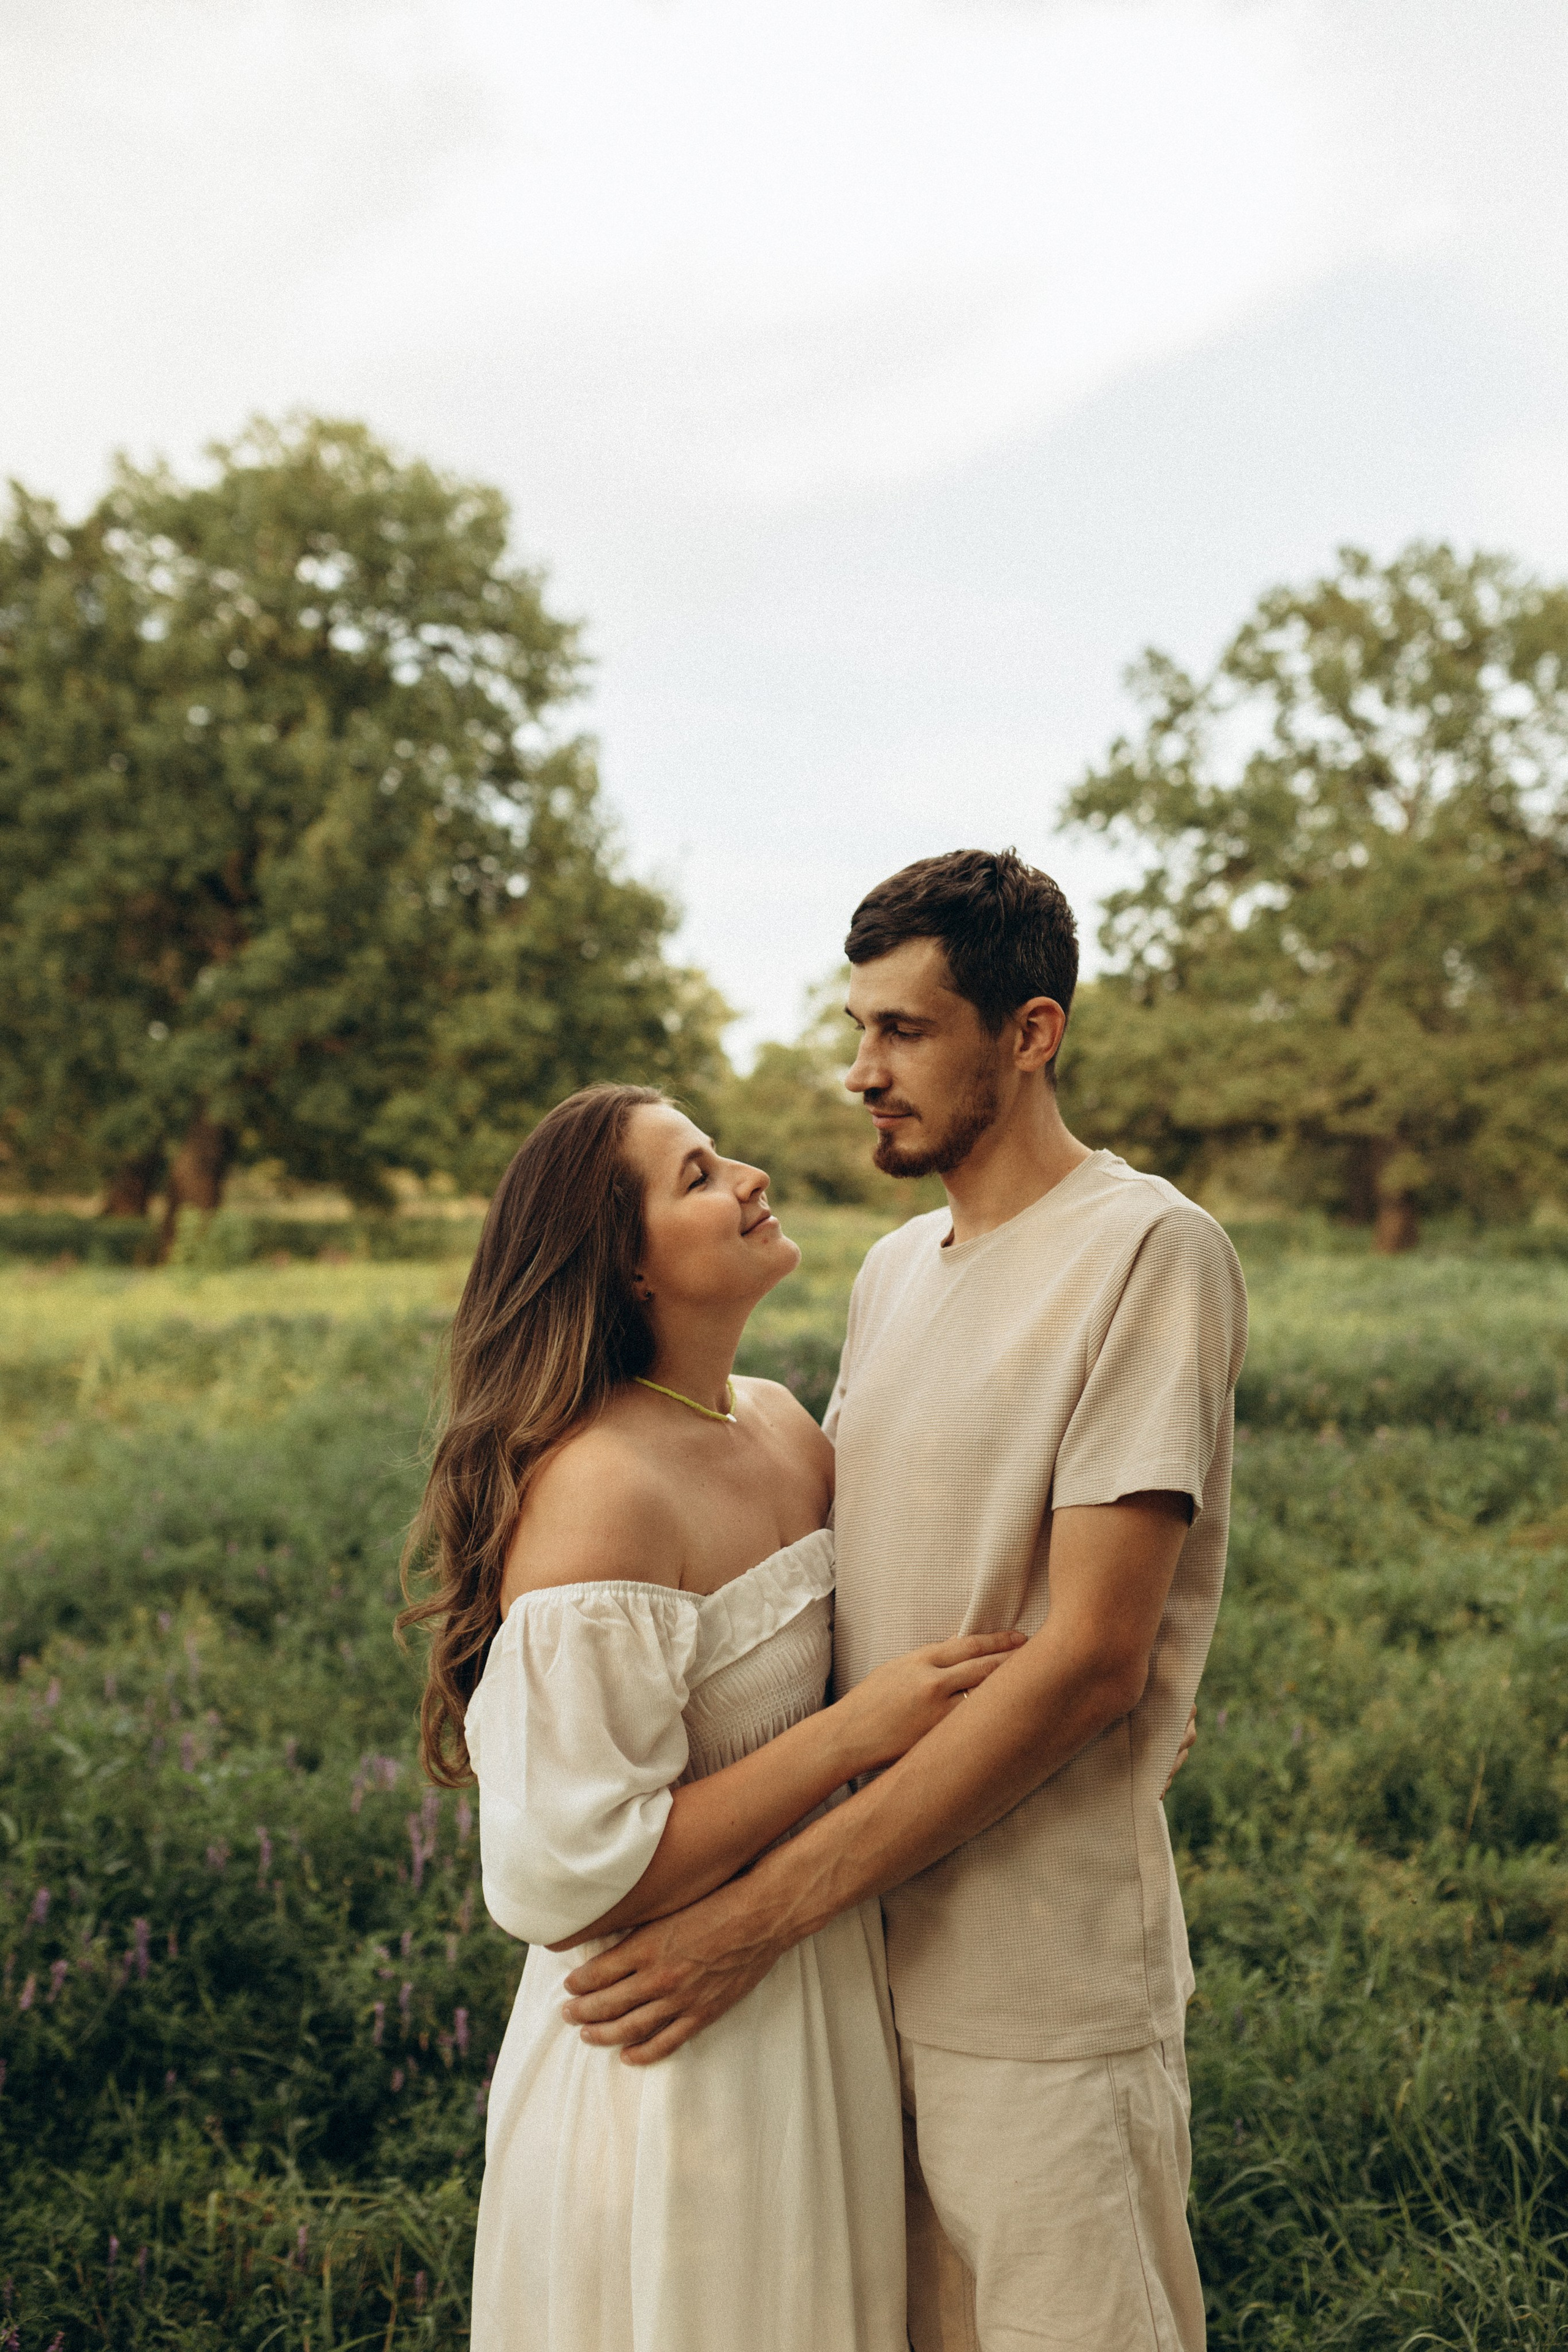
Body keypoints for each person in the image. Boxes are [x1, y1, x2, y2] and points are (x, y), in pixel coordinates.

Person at [560, 849, 1249, 2352]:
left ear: (1030, 1033)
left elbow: (1086, 1667)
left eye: (905, 1032)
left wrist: (745, 1921)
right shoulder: (889, 1272)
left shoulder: (1147, 1252)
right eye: (857, 1027)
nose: (859, 1071)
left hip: (1036, 1987)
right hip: (847, 2000)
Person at [398, 1080, 1027, 2351]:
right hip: (669, 2053)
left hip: (822, 2001)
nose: (746, 1176)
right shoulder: (601, 1492)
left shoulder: (787, 1425)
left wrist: (1096, 1686)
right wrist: (852, 1736)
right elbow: (572, 1874)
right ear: (624, 1271)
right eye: (694, 1175)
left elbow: (938, 1587)